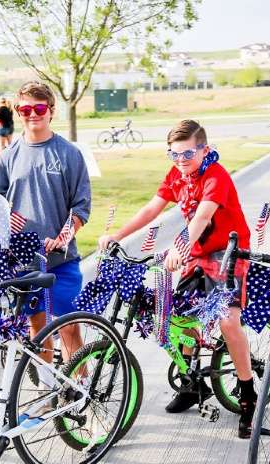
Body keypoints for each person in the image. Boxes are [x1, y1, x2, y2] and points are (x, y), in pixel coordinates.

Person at [97, 119, 257, 438]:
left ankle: (248, 392)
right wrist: (118, 235)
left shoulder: (216, 176)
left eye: (187, 154)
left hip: (227, 253)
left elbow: (202, 217)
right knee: (177, 319)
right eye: (174, 155)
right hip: (197, 254)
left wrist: (179, 247)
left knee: (227, 321)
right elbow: (151, 210)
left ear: (204, 150)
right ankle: (191, 383)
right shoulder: (176, 175)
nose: (181, 161)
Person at [0, 80, 90, 361]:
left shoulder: (69, 154)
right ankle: (45, 392)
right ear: (17, 111)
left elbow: (81, 208)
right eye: (26, 109)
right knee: (38, 328)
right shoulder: (9, 156)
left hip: (61, 260)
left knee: (70, 327)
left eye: (39, 108)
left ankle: (81, 393)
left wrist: (63, 237)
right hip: (23, 261)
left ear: (51, 110)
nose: (33, 114)